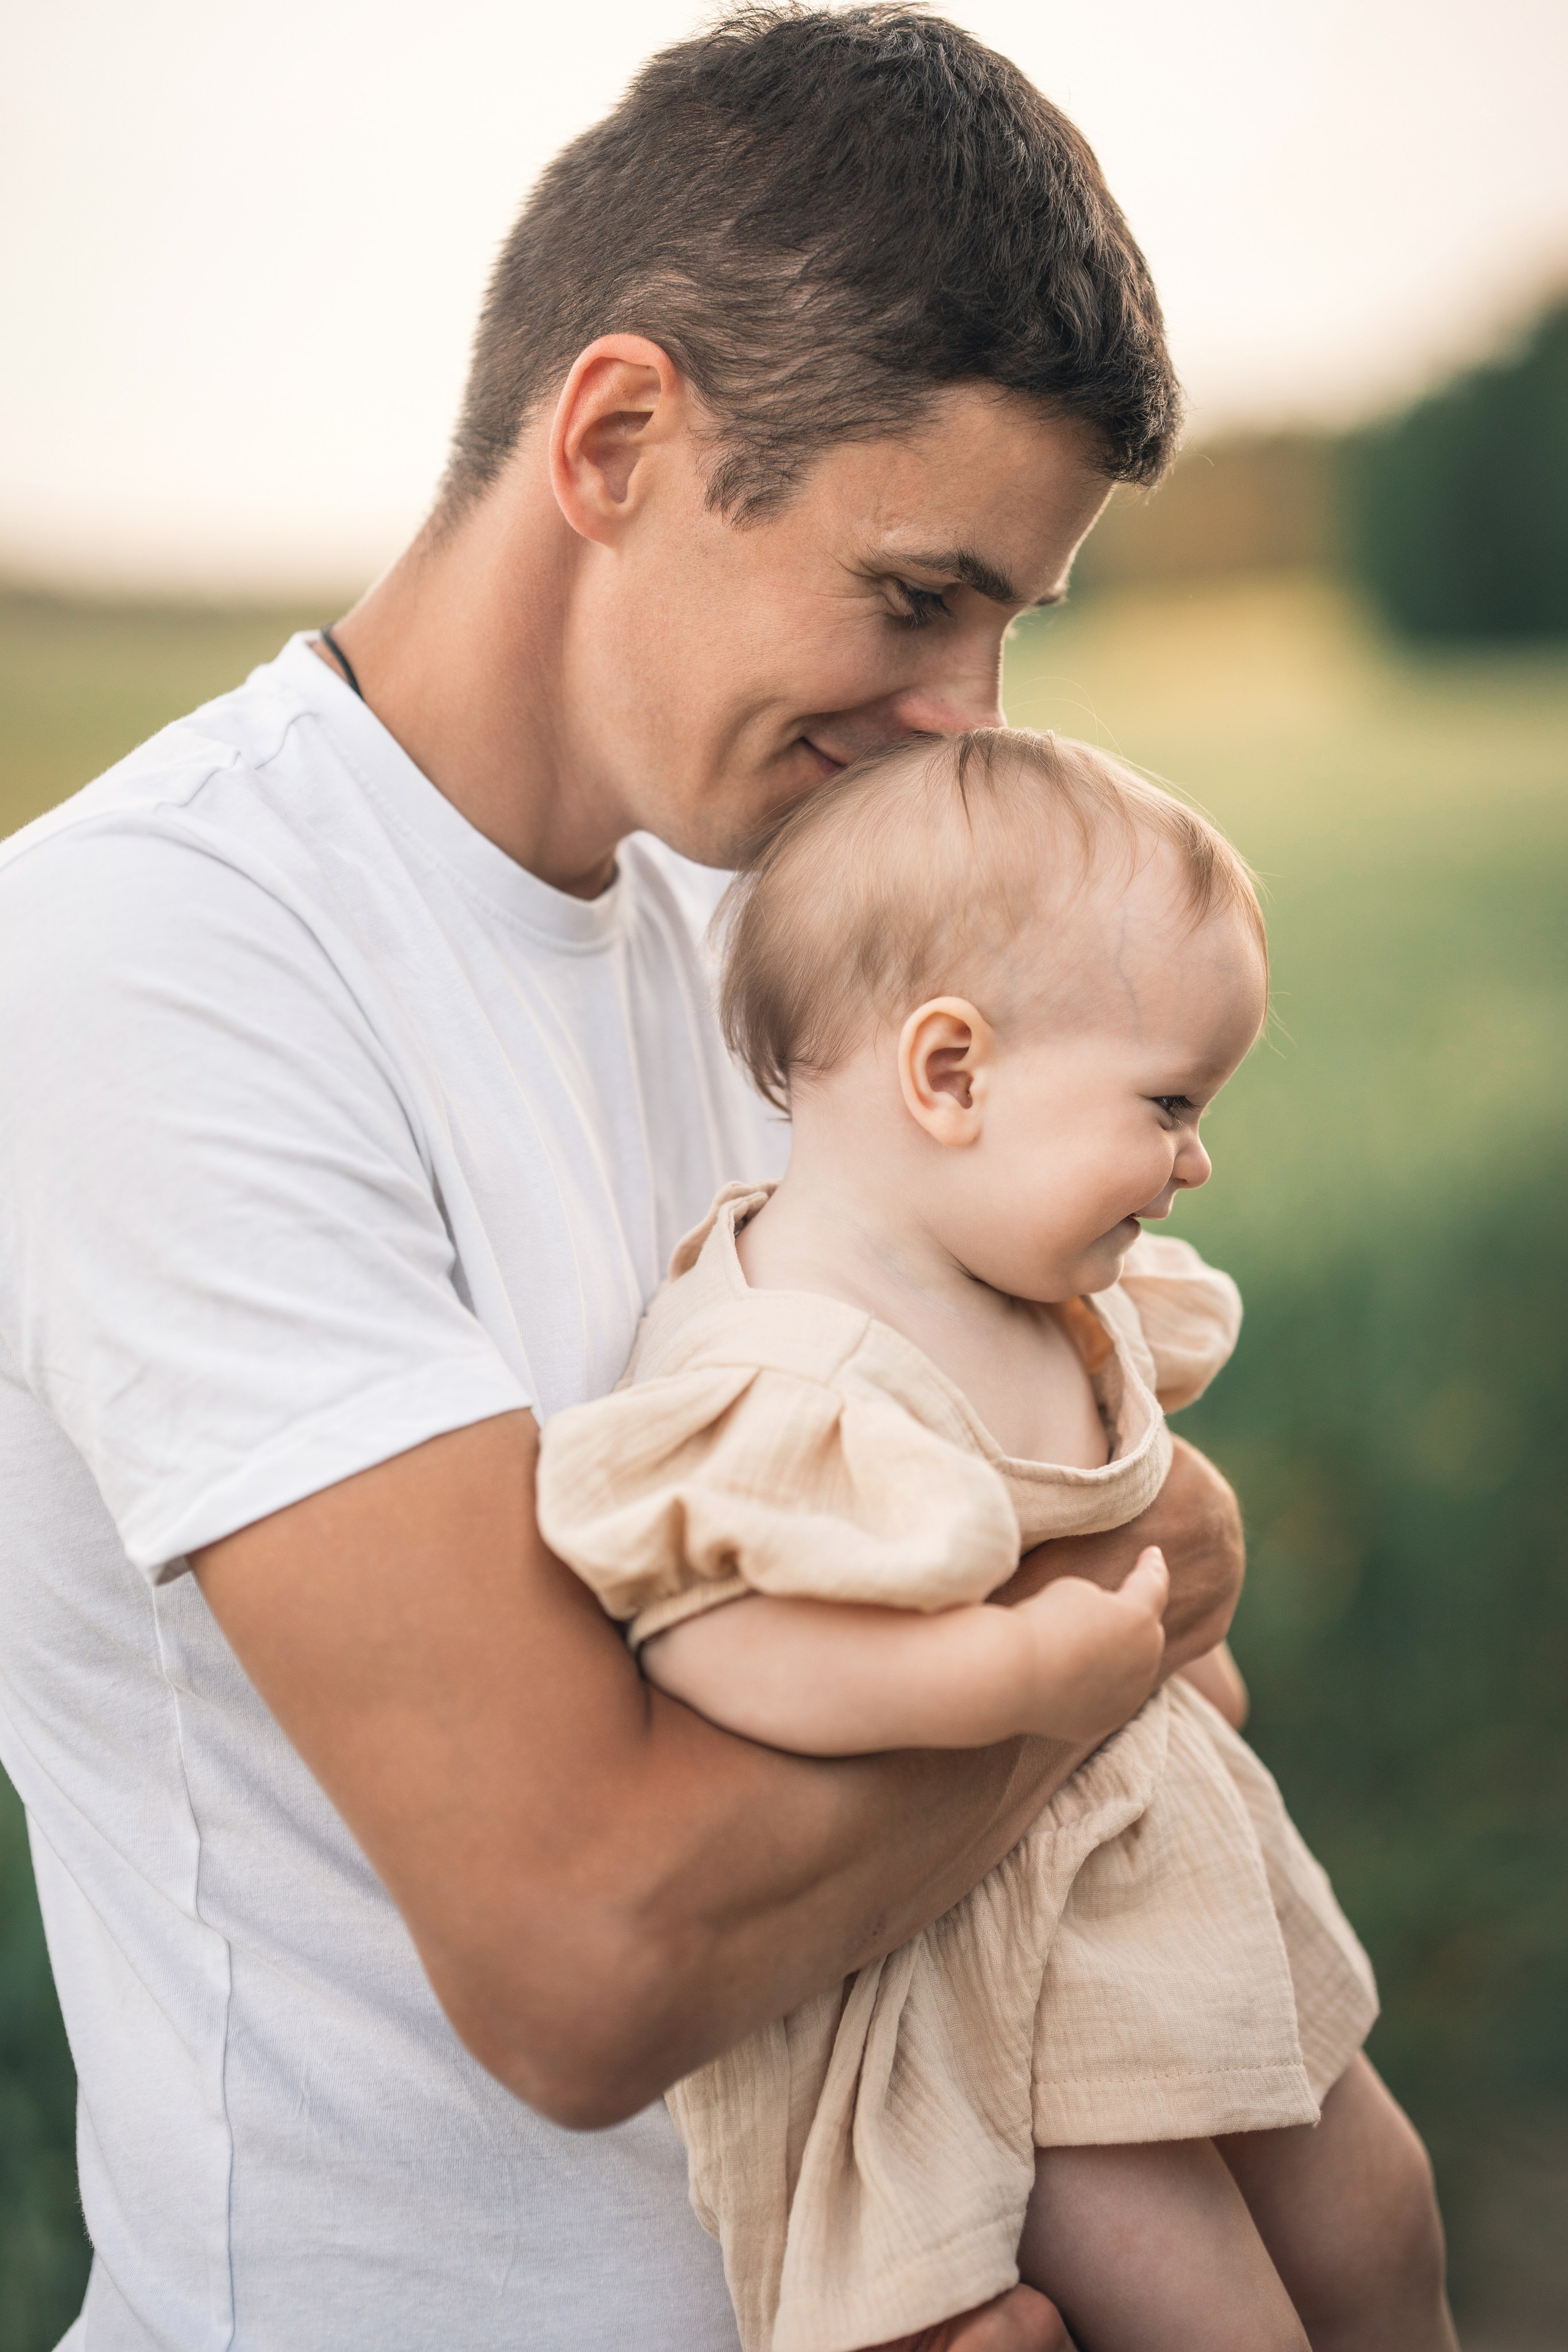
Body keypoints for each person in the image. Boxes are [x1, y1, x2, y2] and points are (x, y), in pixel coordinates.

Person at [0, 10, 1431, 2348]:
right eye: (915, 593)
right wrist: (1105, 1641)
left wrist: (1122, 1601)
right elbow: (588, 1956)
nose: (969, 713)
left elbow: (1132, 1524)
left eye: (1010, 621)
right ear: (622, 435)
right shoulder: (156, 968)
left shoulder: (781, 923)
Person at [538, 728, 1454, 2352]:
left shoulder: (1054, 1291)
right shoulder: (788, 1370)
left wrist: (1190, 1656)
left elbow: (1126, 1498)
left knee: (1383, 2223)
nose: (1197, 1160)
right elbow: (715, 1636)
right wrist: (1007, 1667)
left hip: (1162, 1877)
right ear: (949, 1075)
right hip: (992, 1978)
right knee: (1220, 2319)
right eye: (1170, 1104)